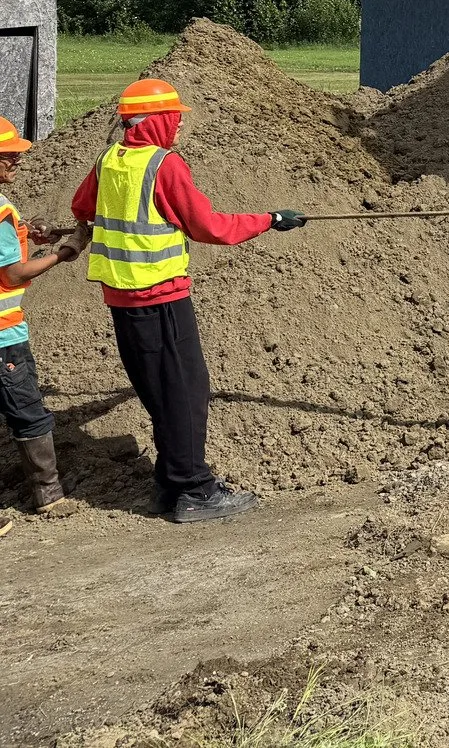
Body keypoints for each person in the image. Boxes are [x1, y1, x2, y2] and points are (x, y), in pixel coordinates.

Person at [70, 79, 304, 524]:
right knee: (185, 391)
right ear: (158, 121)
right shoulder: (164, 165)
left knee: (160, 390)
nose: (179, 126)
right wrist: (271, 219)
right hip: (160, 296)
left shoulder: (109, 160)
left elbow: (82, 207)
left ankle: (168, 485)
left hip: (122, 299)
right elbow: (208, 226)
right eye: (175, 118)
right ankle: (195, 490)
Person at [1, 116, 77, 532]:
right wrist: (64, 253)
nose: (17, 160)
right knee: (28, 412)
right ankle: (49, 496)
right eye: (7, 155)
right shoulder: (0, 211)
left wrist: (26, 235)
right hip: (3, 338)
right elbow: (13, 274)